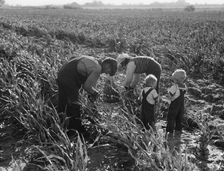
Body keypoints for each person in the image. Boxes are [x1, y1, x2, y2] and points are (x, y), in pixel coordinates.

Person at [57, 55, 117, 137]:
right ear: (107, 64)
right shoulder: (97, 68)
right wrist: (95, 94)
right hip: (69, 77)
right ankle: (75, 130)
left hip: (62, 73)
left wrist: (92, 94)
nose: (106, 73)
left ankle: (60, 124)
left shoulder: (93, 60)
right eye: (109, 70)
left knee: (63, 102)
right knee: (75, 104)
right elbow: (87, 87)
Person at [166, 69, 187, 137]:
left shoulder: (174, 87)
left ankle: (170, 130)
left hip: (174, 104)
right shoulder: (184, 86)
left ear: (176, 79)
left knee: (171, 117)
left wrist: (167, 96)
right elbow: (184, 94)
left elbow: (170, 95)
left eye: (173, 79)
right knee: (179, 117)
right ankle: (178, 129)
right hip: (181, 105)